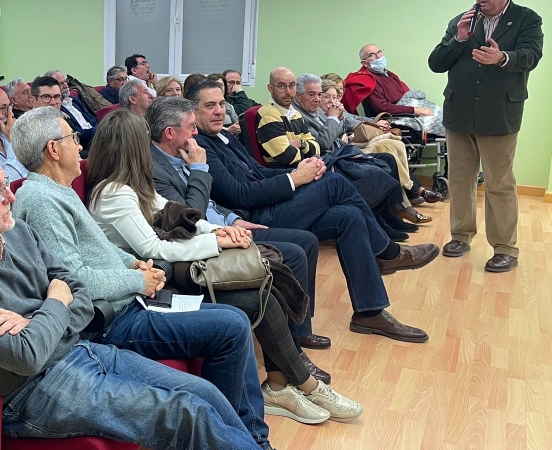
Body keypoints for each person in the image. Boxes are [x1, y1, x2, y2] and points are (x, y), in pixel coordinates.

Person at [0, 139, 422, 450]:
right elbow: (25, 353)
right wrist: (53, 304)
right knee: (188, 415)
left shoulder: (12, 229)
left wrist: (44, 310)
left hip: (79, 350)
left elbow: (71, 281)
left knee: (210, 398)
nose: (10, 194)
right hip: (24, 393)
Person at [11, 108, 333, 450]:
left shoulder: (59, 191)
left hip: (131, 299)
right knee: (231, 323)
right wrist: (139, 277)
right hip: (112, 319)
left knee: (236, 318)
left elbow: (100, 252)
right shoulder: (42, 201)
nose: (79, 146)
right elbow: (75, 279)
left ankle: (243, 442)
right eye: (72, 138)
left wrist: (131, 264)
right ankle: (245, 448)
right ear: (53, 150)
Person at [87, 109, 359, 424]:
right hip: (155, 285)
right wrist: (218, 243)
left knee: (266, 291)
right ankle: (304, 385)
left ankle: (282, 384)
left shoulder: (132, 185)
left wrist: (217, 230)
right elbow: (152, 248)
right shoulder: (113, 192)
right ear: (134, 148)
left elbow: (179, 214)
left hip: (171, 270)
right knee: (261, 295)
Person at [189, 81, 436, 343]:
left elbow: (257, 172)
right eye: (209, 106)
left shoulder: (223, 136)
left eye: (220, 104)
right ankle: (387, 253)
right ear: (193, 111)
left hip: (269, 205)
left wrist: (300, 170)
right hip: (253, 219)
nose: (218, 111)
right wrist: (295, 179)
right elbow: (238, 194)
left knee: (348, 216)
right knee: (336, 182)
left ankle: (370, 312)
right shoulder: (200, 146)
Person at [146, 97, 331, 356]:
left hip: (227, 224)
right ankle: (292, 351)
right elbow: (189, 217)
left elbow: (211, 202)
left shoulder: (181, 152)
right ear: (170, 133)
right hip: (205, 241)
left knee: (307, 241)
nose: (196, 132)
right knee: (293, 253)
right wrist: (199, 168)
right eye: (191, 127)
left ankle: (298, 330)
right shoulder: (155, 168)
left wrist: (232, 218)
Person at [429, 0, 544, 273]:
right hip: (459, 115)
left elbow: (532, 55)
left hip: (499, 116)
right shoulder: (461, 21)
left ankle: (505, 248)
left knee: (499, 184)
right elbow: (436, 63)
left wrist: (503, 58)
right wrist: (459, 39)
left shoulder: (526, 19)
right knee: (459, 180)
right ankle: (461, 236)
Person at [294, 74, 437, 224]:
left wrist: (374, 123)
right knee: (383, 154)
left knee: (389, 157)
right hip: (334, 158)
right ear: (298, 96)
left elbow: (351, 122)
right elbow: (324, 142)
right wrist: (336, 121)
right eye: (320, 96)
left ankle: (394, 211)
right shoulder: (311, 114)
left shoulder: (324, 111)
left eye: (336, 95)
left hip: (345, 150)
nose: (330, 100)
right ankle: (401, 205)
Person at [344, 45, 435, 120]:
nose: (379, 56)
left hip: (408, 111)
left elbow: (406, 95)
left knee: (443, 115)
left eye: (379, 52)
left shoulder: (389, 75)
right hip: (394, 118)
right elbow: (382, 107)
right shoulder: (368, 81)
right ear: (364, 63)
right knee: (444, 123)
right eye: (372, 55)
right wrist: (414, 110)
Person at [46, 70, 98, 147]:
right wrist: (97, 131)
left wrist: (101, 128)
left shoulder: (74, 100)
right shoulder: (56, 108)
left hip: (97, 136)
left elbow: (89, 117)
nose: (66, 86)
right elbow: (75, 132)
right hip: (85, 143)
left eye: (65, 81)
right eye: (61, 84)